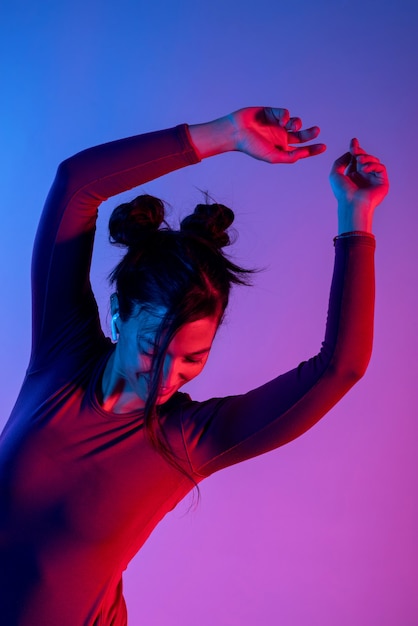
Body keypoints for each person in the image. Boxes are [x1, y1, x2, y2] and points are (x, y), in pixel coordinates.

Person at [0, 107, 388, 625]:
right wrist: (223, 135)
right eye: (151, 349)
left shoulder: (189, 439)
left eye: (193, 359)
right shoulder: (61, 353)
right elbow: (77, 184)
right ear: (119, 314)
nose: (167, 376)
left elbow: (340, 367)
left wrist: (355, 216)